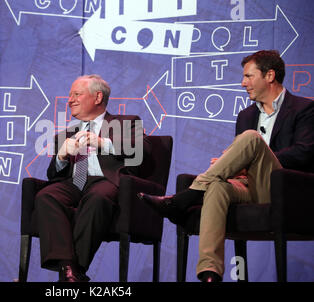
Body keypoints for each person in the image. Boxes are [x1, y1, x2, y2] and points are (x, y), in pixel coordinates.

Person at [138, 50, 314, 282]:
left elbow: (305, 152)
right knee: (217, 186)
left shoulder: (304, 108)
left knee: (251, 138)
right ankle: (209, 272)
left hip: (286, 189)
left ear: (270, 75)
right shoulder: (246, 115)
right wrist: (231, 162)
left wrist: (255, 156)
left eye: (249, 76)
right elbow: (243, 157)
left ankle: (186, 197)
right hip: (249, 187)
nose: (243, 83)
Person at [33, 74, 148, 282]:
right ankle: (68, 267)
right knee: (46, 195)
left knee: (98, 197)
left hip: (105, 181)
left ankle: (73, 271)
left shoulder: (127, 122)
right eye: (69, 96)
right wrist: (61, 156)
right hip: (74, 182)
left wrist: (102, 142)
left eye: (76, 94)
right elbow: (52, 176)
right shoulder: (65, 135)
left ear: (97, 98)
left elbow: (138, 151)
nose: (70, 101)